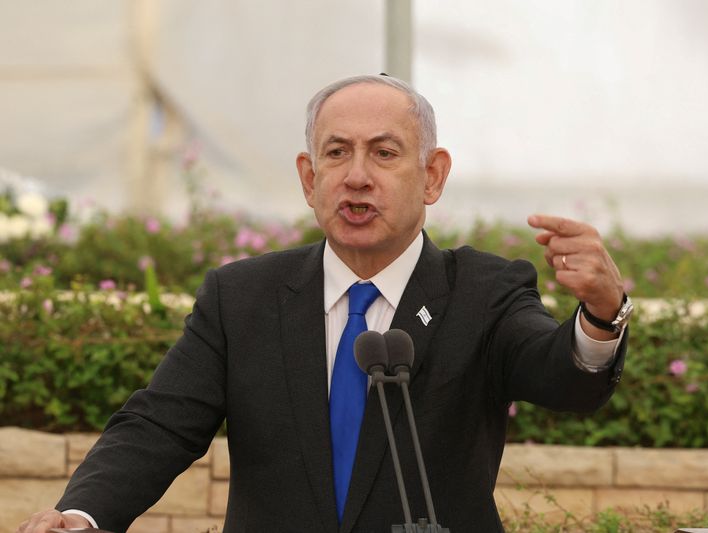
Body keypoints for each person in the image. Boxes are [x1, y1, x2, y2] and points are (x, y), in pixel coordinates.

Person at [17, 74, 631, 533]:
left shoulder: (483, 292)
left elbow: (562, 377)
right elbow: (158, 426)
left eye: (384, 153)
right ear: (309, 178)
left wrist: (601, 315)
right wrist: (83, 514)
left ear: (433, 176)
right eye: (337, 153)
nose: (356, 176)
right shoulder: (242, 297)